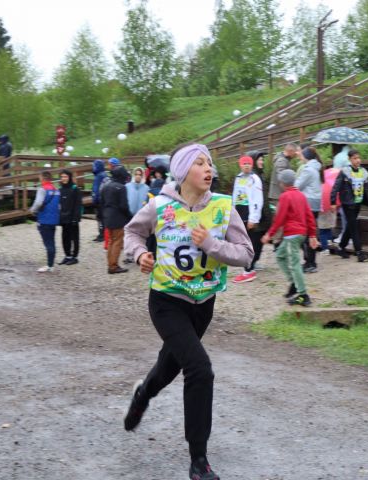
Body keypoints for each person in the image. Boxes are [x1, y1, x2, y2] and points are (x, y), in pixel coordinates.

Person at [122, 144, 253, 480]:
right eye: (199, 163)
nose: (208, 168)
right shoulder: (160, 205)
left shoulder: (224, 208)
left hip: (203, 304)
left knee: (169, 367)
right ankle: (199, 461)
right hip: (166, 300)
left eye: (209, 163)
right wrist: (139, 255)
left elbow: (246, 254)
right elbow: (133, 232)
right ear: (182, 172)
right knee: (200, 368)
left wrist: (211, 244)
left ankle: (143, 394)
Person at [262, 169, 318, 307]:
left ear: (282, 183)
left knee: (294, 264)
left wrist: (270, 233)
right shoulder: (301, 195)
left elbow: (280, 218)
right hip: (301, 233)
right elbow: (309, 216)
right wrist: (312, 235)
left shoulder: (285, 197)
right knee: (280, 256)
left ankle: (303, 294)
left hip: (292, 234)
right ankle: (294, 283)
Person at [231, 155, 265, 283]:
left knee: (247, 242)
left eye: (248, 163)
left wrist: (253, 218)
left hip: (249, 213)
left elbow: (257, 199)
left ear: (252, 165)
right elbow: (235, 196)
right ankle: (247, 267)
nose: (246, 165)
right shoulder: (238, 178)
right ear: (240, 165)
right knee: (241, 241)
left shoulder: (254, 179)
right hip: (239, 213)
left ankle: (248, 270)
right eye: (244, 163)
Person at [295, 147, 322, 273]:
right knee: (310, 233)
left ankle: (310, 263)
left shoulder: (308, 170)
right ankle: (311, 262)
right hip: (315, 204)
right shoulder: (316, 168)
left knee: (306, 235)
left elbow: (297, 185)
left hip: (308, 204)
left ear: (306, 156)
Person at [101, 166, 132, 274]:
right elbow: (124, 206)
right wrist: (130, 217)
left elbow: (102, 202)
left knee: (111, 241)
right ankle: (114, 266)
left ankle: (110, 264)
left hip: (107, 217)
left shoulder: (106, 186)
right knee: (117, 242)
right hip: (118, 218)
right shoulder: (121, 187)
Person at [29, 171, 60, 273]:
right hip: (54, 220)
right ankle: (51, 263)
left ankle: (50, 266)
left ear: (43, 178)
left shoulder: (42, 189)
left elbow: (38, 203)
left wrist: (32, 211)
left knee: (48, 243)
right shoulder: (56, 190)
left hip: (44, 219)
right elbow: (60, 206)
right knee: (52, 241)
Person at [58, 170, 82, 266]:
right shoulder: (60, 190)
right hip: (63, 217)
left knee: (74, 238)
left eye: (65, 176)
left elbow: (78, 205)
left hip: (72, 217)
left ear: (69, 177)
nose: (63, 178)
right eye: (62, 177)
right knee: (65, 237)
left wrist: (76, 218)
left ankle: (74, 256)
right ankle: (67, 255)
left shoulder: (75, 189)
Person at [91, 159, 108, 242]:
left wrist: (94, 200)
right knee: (103, 218)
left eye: (94, 166)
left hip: (99, 201)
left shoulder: (99, 176)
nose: (93, 168)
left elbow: (96, 189)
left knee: (100, 218)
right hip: (104, 200)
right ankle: (104, 234)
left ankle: (102, 235)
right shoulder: (104, 175)